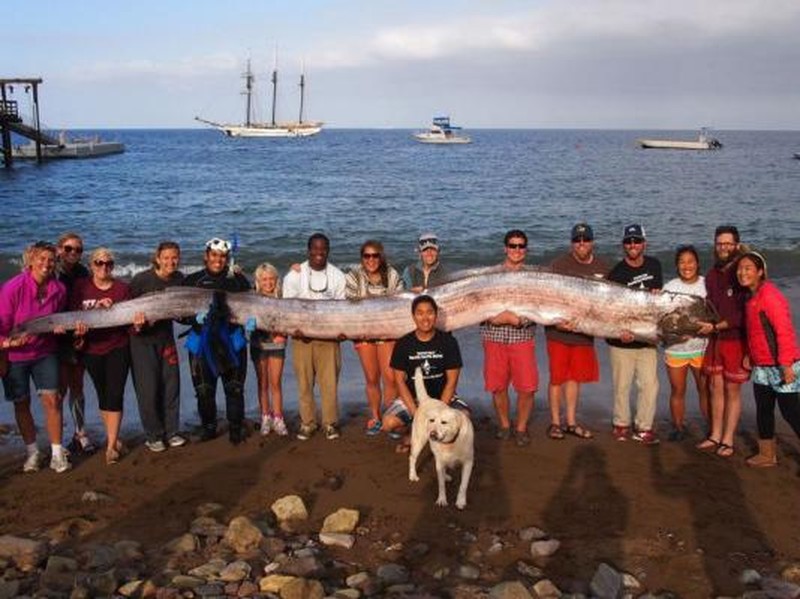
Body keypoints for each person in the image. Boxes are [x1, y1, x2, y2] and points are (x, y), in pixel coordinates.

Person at [0, 241, 71, 473]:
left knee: (52, 400)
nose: (46, 264)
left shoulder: (59, 290)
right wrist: (8, 343)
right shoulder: (13, 288)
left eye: (51, 260)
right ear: (30, 260)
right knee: (22, 403)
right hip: (14, 355)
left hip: (44, 352)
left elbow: (56, 320)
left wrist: (60, 328)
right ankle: (32, 452)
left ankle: (57, 454)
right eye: (41, 259)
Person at [182, 238, 251, 444]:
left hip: (232, 341)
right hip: (200, 343)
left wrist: (251, 321)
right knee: (204, 390)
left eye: (222, 256)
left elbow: (251, 306)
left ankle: (236, 429)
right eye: (214, 255)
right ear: (206, 256)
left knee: (235, 388)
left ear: (227, 258)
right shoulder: (193, 280)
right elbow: (177, 311)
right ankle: (209, 428)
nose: (218, 260)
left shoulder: (237, 280)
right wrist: (192, 318)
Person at [545, 223, 610, 440]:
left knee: (574, 378)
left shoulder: (603, 266)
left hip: (584, 333)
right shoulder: (559, 264)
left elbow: (609, 304)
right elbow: (544, 297)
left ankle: (571, 422)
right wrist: (556, 323)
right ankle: (555, 423)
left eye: (585, 239)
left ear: (592, 242)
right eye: (577, 240)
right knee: (557, 378)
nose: (581, 243)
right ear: (572, 243)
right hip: (558, 333)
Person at [736, 250, 800, 467]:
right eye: (740, 268)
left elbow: (784, 332)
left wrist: (786, 365)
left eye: (748, 269)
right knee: (763, 409)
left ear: (760, 272)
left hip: (782, 365)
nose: (742, 273)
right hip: (761, 365)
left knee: (791, 413)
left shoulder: (770, 296)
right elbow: (754, 332)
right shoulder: (750, 297)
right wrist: (748, 354)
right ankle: (767, 454)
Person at [71, 248, 132, 465]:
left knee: (115, 394)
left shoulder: (122, 289)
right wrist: (76, 331)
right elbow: (74, 313)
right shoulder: (81, 287)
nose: (103, 267)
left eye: (108, 263)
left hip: (118, 347)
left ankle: (111, 446)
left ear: (113, 266)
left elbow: (129, 321)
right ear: (91, 265)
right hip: (91, 349)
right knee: (103, 394)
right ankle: (114, 439)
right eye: (99, 263)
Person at [283, 233, 347, 440]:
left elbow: (342, 309)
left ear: (328, 250)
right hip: (302, 339)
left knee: (329, 384)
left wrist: (341, 331)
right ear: (308, 250)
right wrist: (295, 328)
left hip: (329, 339)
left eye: (323, 249)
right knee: (304, 383)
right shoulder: (294, 275)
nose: (319, 253)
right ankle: (308, 422)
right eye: (315, 249)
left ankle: (330, 423)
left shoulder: (338, 276)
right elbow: (287, 307)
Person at [695, 225, 749, 457]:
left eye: (728, 243)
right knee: (715, 387)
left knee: (731, 389)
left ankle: (728, 439)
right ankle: (715, 434)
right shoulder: (711, 274)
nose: (723, 247)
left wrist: (716, 326)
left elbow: (741, 314)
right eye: (720, 243)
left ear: (736, 245)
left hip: (735, 339)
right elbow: (710, 307)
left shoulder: (742, 271)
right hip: (715, 340)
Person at [607, 224, 663, 445]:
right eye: (629, 242)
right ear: (623, 246)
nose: (633, 245)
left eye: (637, 241)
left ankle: (644, 427)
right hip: (621, 340)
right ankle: (621, 424)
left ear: (644, 244)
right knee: (622, 385)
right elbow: (610, 309)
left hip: (646, 340)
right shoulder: (616, 273)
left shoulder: (655, 265)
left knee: (649, 385)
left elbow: (654, 304)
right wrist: (620, 332)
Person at [479, 230, 537, 446]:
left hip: (522, 337)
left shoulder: (534, 277)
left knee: (527, 387)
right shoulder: (489, 275)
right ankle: (504, 424)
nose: (517, 250)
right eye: (512, 246)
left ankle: (521, 428)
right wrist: (493, 319)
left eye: (521, 246)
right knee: (497, 386)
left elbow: (541, 305)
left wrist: (519, 321)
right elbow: (476, 303)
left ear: (526, 250)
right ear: (505, 248)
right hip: (493, 336)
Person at [385, 295, 466, 449]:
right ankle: (412, 433)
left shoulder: (449, 342)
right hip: (414, 400)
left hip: (443, 398)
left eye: (430, 312)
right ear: (413, 316)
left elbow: (452, 381)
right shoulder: (403, 344)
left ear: (436, 315)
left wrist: (439, 414)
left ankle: (437, 437)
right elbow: (400, 382)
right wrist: (417, 415)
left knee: (464, 419)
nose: (425, 318)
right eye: (420, 313)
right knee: (389, 423)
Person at [129, 241, 186, 452]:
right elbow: (126, 312)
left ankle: (172, 432)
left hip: (166, 338)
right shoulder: (141, 280)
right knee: (148, 390)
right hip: (142, 341)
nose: (171, 261)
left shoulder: (179, 279)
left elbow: (186, 308)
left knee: (172, 386)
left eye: (175, 257)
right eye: (167, 257)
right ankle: (153, 435)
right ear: (158, 258)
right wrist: (137, 325)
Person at [345, 240, 404, 435]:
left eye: (375, 255)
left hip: (387, 331)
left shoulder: (392, 275)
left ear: (381, 256)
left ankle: (390, 417)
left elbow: (400, 303)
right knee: (371, 378)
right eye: (367, 256)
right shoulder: (354, 275)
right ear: (362, 258)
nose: (371, 260)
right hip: (363, 332)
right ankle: (375, 417)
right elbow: (349, 304)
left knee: (390, 378)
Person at [662, 245, 709, 441]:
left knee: (705, 389)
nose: (686, 266)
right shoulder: (669, 287)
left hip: (702, 349)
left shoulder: (707, 285)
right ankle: (678, 426)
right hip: (676, 349)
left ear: (697, 264)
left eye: (690, 261)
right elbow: (662, 318)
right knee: (677, 390)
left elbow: (715, 314)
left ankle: (712, 427)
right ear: (676, 265)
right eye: (682, 262)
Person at [55, 232, 95, 453]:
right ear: (60, 249)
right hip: (54, 335)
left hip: (76, 332)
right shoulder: (52, 270)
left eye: (78, 250)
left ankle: (80, 432)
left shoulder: (82, 272)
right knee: (58, 388)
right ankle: (57, 440)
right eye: (69, 249)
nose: (73, 253)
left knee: (77, 385)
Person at [251, 262, 288, 437]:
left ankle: (278, 417)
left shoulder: (282, 298)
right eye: (264, 279)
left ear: (276, 279)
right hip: (258, 343)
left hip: (277, 344)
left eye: (271, 278)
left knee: (275, 383)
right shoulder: (252, 297)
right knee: (262, 383)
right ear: (258, 281)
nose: (268, 282)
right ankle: (265, 416)